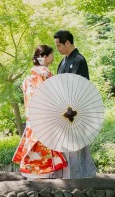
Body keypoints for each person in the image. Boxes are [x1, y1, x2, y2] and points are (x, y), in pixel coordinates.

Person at [12, 44, 68, 177]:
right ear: (44, 57)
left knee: (36, 145)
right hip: (45, 118)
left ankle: (31, 172)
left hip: (33, 118)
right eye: (51, 54)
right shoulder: (44, 75)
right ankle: (41, 173)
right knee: (44, 146)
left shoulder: (29, 78)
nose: (53, 57)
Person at [53, 29, 97, 178]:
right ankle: (70, 174)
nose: (57, 49)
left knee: (77, 143)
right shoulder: (64, 61)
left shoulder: (78, 60)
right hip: (64, 107)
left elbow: (79, 86)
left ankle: (81, 175)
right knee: (68, 143)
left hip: (76, 108)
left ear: (67, 42)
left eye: (59, 45)